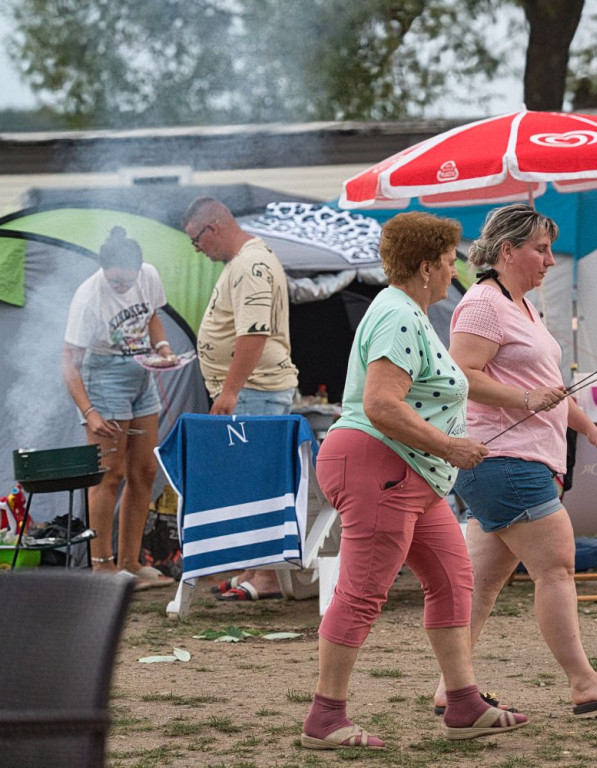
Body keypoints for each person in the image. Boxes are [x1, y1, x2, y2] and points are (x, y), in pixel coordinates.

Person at [301, 212, 528, 749]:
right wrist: (449, 446)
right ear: (426, 267)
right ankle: (325, 718)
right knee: (362, 592)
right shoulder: (398, 315)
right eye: (449, 262)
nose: (455, 272)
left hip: (412, 474)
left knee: (453, 578)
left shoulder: (407, 313)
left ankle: (463, 703)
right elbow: (381, 404)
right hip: (381, 465)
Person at [435, 203, 597, 716]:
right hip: (504, 460)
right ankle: (584, 682)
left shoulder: (523, 308)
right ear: (508, 251)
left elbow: (545, 386)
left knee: (482, 585)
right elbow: (462, 376)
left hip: (514, 462)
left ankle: (451, 688)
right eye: (542, 250)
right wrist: (527, 400)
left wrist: (588, 428)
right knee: (556, 568)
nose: (551, 260)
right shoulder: (483, 304)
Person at [182, 196, 299, 601]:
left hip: (255, 390)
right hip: (250, 390)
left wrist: (230, 391)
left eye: (196, 241)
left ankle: (267, 576)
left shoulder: (251, 264)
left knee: (261, 484)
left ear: (212, 228)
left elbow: (254, 332)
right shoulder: (243, 262)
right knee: (249, 485)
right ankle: (253, 567)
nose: (197, 250)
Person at [62, 226, 176, 589]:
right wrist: (89, 412)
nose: (123, 287)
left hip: (142, 373)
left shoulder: (149, 276)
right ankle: (103, 568)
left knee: (144, 470)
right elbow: (69, 364)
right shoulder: (88, 298)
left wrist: (163, 349)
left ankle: (130, 562)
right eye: (116, 282)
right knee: (108, 475)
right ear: (103, 271)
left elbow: (152, 317)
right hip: (103, 378)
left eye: (129, 280)